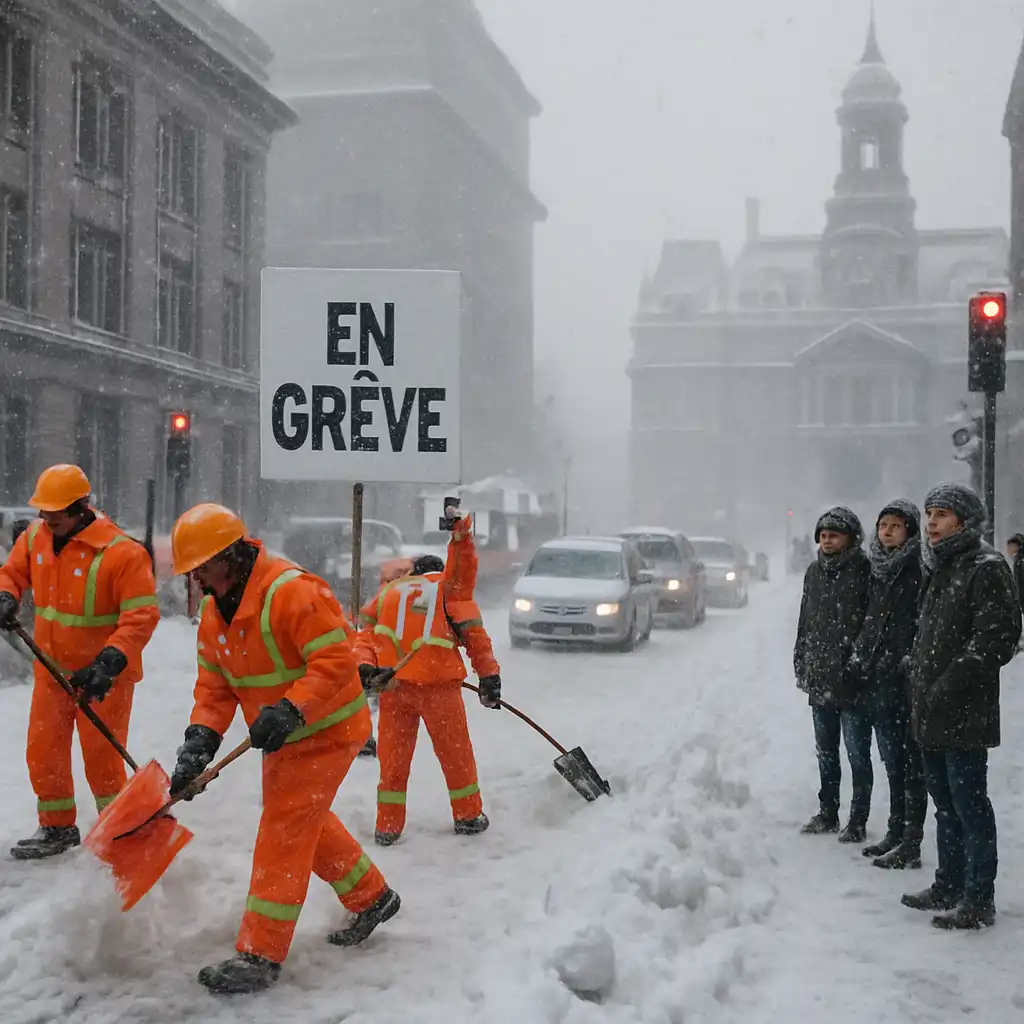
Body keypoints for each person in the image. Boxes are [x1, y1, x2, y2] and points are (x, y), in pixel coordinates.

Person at [167, 503, 399, 994]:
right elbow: (214, 690)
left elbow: (335, 659)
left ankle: (259, 952)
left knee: (283, 830)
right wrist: (198, 745)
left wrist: (292, 708)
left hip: (327, 727)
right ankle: (371, 896)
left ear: (229, 556)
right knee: (301, 820)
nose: (198, 583)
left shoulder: (290, 591)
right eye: (191, 575)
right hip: (284, 734)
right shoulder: (214, 614)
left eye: (202, 570)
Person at [0, 465, 159, 860]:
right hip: (51, 670)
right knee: (44, 750)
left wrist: (111, 660)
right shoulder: (36, 537)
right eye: (44, 513)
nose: (47, 520)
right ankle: (57, 828)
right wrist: (6, 595)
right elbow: (12, 573)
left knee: (103, 761)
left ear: (81, 508)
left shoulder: (122, 553)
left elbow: (141, 616)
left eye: (56, 513)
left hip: (102, 677)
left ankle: (120, 834)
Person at [901, 484, 1020, 929]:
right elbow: (931, 630)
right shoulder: (940, 564)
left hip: (965, 710)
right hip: (931, 706)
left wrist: (950, 680)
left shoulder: (985, 567)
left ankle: (977, 898)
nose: (931, 522)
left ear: (965, 521)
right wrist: (917, 668)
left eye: (942, 514)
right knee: (944, 804)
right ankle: (947, 883)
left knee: (970, 806)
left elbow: (998, 636)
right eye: (930, 513)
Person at [355, 515, 500, 845]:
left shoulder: (389, 593)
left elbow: (366, 636)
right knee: (455, 754)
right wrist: (489, 677)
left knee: (393, 761)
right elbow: (475, 637)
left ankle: (388, 827)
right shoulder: (446, 590)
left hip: (394, 687)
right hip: (438, 687)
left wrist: (365, 668)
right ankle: (467, 816)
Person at [848, 500, 927, 869]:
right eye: (883, 525)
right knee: (892, 760)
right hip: (877, 678)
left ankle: (911, 839)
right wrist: (862, 655)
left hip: (904, 679)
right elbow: (870, 620)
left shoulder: (918, 570)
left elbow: (920, 624)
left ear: (910, 531)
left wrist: (905, 660)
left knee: (909, 763)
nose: (888, 531)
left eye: (897, 525)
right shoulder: (876, 569)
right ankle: (897, 832)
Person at [794, 507, 872, 841]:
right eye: (823, 535)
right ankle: (828, 811)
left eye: (834, 535)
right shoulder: (813, 572)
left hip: (853, 680)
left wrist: (858, 662)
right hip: (820, 676)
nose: (827, 540)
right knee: (826, 751)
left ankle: (857, 820)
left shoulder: (866, 572)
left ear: (851, 539)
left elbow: (871, 624)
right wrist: (800, 657)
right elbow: (805, 620)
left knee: (857, 753)